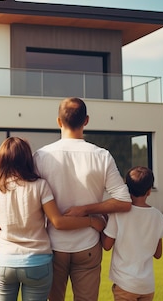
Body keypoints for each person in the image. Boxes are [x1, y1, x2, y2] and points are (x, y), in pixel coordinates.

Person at [33, 97, 132, 301]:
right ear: (86, 120)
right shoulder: (102, 156)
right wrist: (86, 209)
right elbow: (124, 201)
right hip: (88, 244)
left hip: (51, 245)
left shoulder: (41, 156)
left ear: (59, 121)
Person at [0, 137, 106, 301]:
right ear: (27, 159)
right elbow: (58, 222)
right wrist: (92, 221)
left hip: (3, 261)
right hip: (37, 262)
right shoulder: (40, 186)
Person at [101, 166, 163, 301]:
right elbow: (158, 254)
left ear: (126, 188)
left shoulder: (118, 213)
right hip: (147, 286)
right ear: (149, 191)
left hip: (125, 285)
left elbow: (106, 245)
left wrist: (102, 222)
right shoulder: (158, 216)